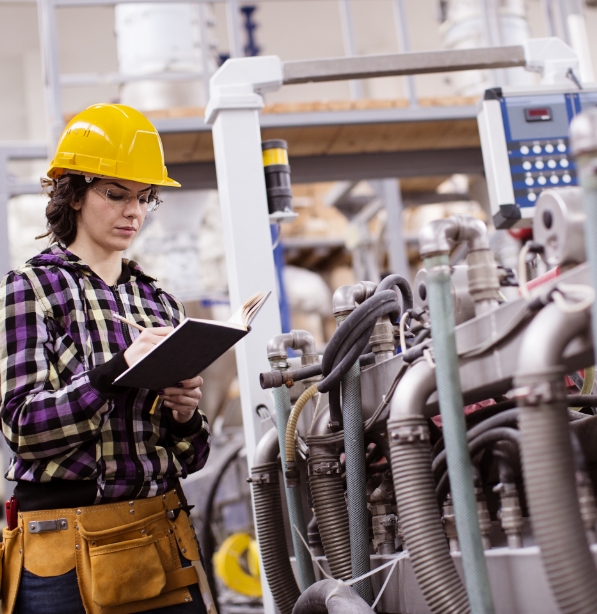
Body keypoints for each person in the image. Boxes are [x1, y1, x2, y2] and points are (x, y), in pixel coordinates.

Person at [0, 104, 214, 614]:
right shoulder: (31, 289)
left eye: (144, 198)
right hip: (64, 550)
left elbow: (192, 458)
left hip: (159, 536)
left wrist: (184, 417)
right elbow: (24, 427)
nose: (133, 212)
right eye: (115, 194)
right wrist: (116, 371)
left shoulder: (159, 303)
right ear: (72, 195)